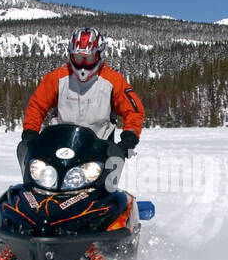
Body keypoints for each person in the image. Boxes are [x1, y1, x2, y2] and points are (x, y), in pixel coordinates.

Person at [19, 27, 144, 165]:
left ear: (99, 55)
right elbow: (37, 105)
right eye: (79, 58)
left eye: (89, 58)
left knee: (102, 187)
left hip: (100, 152)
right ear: (71, 54)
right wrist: (30, 133)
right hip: (59, 148)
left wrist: (129, 139)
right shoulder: (57, 78)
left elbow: (134, 110)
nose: (83, 64)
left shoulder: (113, 81)